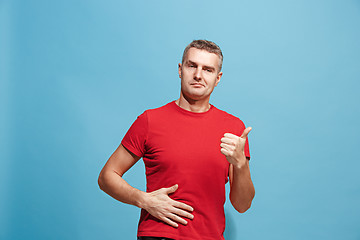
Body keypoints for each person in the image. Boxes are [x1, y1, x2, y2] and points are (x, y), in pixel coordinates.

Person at [98, 40, 255, 240]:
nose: (198, 75)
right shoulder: (150, 120)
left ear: (218, 78)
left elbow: (242, 205)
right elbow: (106, 177)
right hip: (157, 236)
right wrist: (143, 200)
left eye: (208, 69)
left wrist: (241, 164)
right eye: (192, 66)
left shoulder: (233, 128)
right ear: (180, 70)